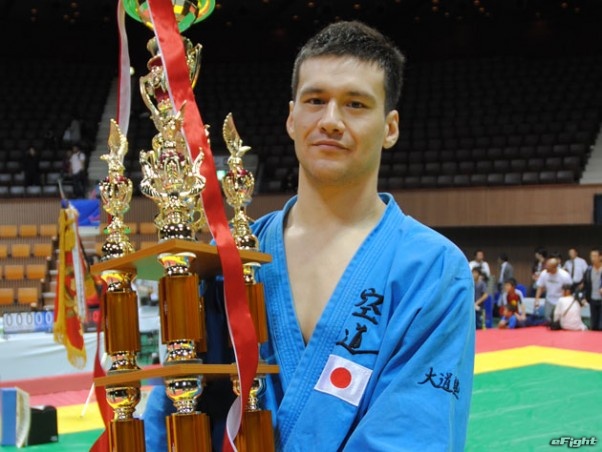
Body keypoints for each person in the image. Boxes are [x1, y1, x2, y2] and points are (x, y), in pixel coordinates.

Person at [144, 20, 475, 451]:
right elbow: (174, 412)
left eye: (356, 104)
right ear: (291, 117)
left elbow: (412, 433)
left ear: (390, 127)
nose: (331, 121)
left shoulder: (433, 270)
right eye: (316, 100)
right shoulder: (230, 260)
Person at [534, 257, 572, 322]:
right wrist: (537, 299)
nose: (546, 268)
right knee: (547, 319)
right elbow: (540, 287)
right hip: (549, 299)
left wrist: (565, 302)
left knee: (559, 320)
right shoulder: (544, 273)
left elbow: (568, 290)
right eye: (546, 266)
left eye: (549, 267)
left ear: (554, 267)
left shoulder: (564, 275)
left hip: (560, 300)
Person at [582, 248, 602, 331]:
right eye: (591, 256)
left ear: (600, 257)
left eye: (595, 256)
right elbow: (585, 285)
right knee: (594, 325)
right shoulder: (589, 270)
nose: (593, 258)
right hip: (592, 299)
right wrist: (583, 297)